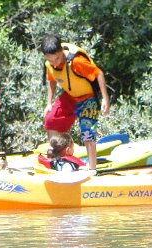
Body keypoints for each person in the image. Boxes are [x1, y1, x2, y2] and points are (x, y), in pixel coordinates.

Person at [40, 35, 111, 171]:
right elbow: (52, 80)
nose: (55, 63)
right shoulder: (49, 64)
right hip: (71, 96)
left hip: (88, 97)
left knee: (87, 133)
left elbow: (98, 74)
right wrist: (49, 102)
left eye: (58, 59)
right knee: (50, 119)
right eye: (50, 60)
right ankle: (58, 158)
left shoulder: (77, 61)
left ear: (62, 51)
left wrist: (105, 99)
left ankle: (92, 169)